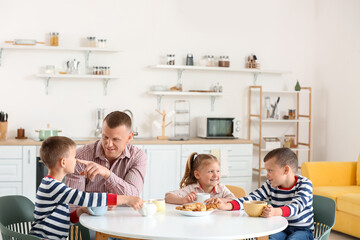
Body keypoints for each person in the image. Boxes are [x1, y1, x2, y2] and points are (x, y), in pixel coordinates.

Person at [30, 136, 143, 240]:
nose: (76, 160)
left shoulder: (54, 185)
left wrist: (80, 211)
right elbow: (85, 198)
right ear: (63, 162)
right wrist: (126, 199)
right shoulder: (53, 187)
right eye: (74, 157)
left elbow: (62, 220)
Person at [210, 148, 314, 240]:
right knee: (269, 237)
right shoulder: (271, 185)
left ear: (286, 170)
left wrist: (274, 212)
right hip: (279, 228)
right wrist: (227, 205)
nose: (267, 175)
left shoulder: (305, 184)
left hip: (302, 230)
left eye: (270, 170)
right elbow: (251, 198)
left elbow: (297, 207)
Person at [65, 111, 147, 201]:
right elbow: (73, 202)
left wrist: (107, 174)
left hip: (124, 214)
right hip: (89, 214)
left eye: (115, 139)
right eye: (105, 137)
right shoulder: (81, 156)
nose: (109, 144)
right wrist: (102, 203)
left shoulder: (137, 157)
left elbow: (133, 196)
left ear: (129, 137)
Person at [165, 152, 235, 204]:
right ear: (197, 174)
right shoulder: (192, 189)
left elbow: (234, 200)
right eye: (210, 171)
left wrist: (220, 200)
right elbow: (168, 197)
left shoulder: (221, 189)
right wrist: (183, 200)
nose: (215, 175)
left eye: (218, 171)